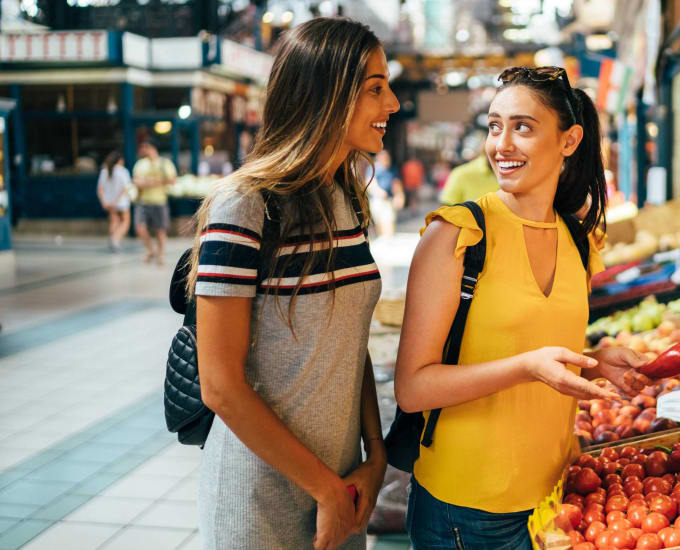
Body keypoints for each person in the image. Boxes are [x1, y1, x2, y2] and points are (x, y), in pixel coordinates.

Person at [395, 66, 652, 549]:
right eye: (495, 126)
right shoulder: (457, 234)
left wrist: (596, 363)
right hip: (466, 505)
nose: (502, 144)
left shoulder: (580, 241)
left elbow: (539, 351)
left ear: (569, 141)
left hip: (554, 495)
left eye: (523, 127)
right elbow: (412, 388)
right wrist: (527, 368)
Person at [185, 17, 398, 550]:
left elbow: (349, 344)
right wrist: (324, 488)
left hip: (342, 486)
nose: (392, 104)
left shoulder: (347, 198)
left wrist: (375, 456)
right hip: (257, 501)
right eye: (375, 89)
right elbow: (221, 386)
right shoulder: (245, 205)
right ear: (326, 96)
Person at [132, 141, 176, 264]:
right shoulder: (140, 164)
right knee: (139, 227)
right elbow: (136, 180)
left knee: (160, 230)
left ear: (153, 148)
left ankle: (160, 255)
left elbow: (172, 180)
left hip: (159, 201)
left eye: (146, 147)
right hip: (142, 201)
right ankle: (151, 250)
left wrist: (153, 182)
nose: (144, 150)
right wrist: (148, 183)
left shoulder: (164, 163)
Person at [96, 151, 132, 252]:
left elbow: (100, 189)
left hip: (109, 202)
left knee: (114, 221)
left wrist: (103, 202)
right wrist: (116, 201)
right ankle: (115, 239)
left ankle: (113, 239)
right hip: (121, 202)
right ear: (120, 160)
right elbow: (125, 188)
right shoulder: (123, 171)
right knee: (125, 222)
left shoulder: (104, 171)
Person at [367, 150, 401, 237]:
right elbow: (370, 183)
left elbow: (396, 183)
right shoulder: (373, 168)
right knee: (380, 223)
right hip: (378, 200)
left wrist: (399, 196)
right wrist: (379, 192)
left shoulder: (392, 169)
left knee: (389, 221)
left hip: (389, 200)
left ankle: (388, 240)